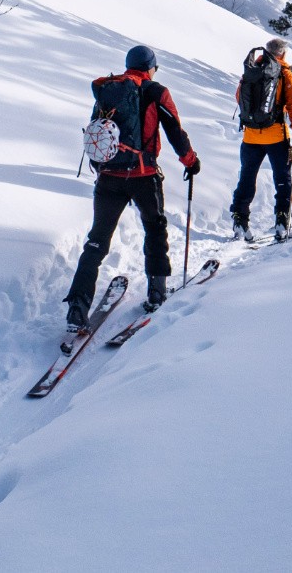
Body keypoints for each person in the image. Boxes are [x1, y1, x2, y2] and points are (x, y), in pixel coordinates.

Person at [62, 44, 199, 353]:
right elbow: (175, 130)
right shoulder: (156, 91)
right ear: (150, 67)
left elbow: (98, 134)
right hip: (143, 176)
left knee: (96, 241)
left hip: (109, 179)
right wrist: (190, 161)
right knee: (154, 228)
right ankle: (156, 290)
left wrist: (103, 169)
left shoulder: (108, 91)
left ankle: (77, 308)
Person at [230, 37, 292, 243]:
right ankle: (282, 222)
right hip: (276, 136)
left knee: (246, 178)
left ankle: (239, 220)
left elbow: (239, 97)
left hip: (250, 136)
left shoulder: (252, 69)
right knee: (282, 179)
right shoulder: (284, 74)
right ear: (282, 54)